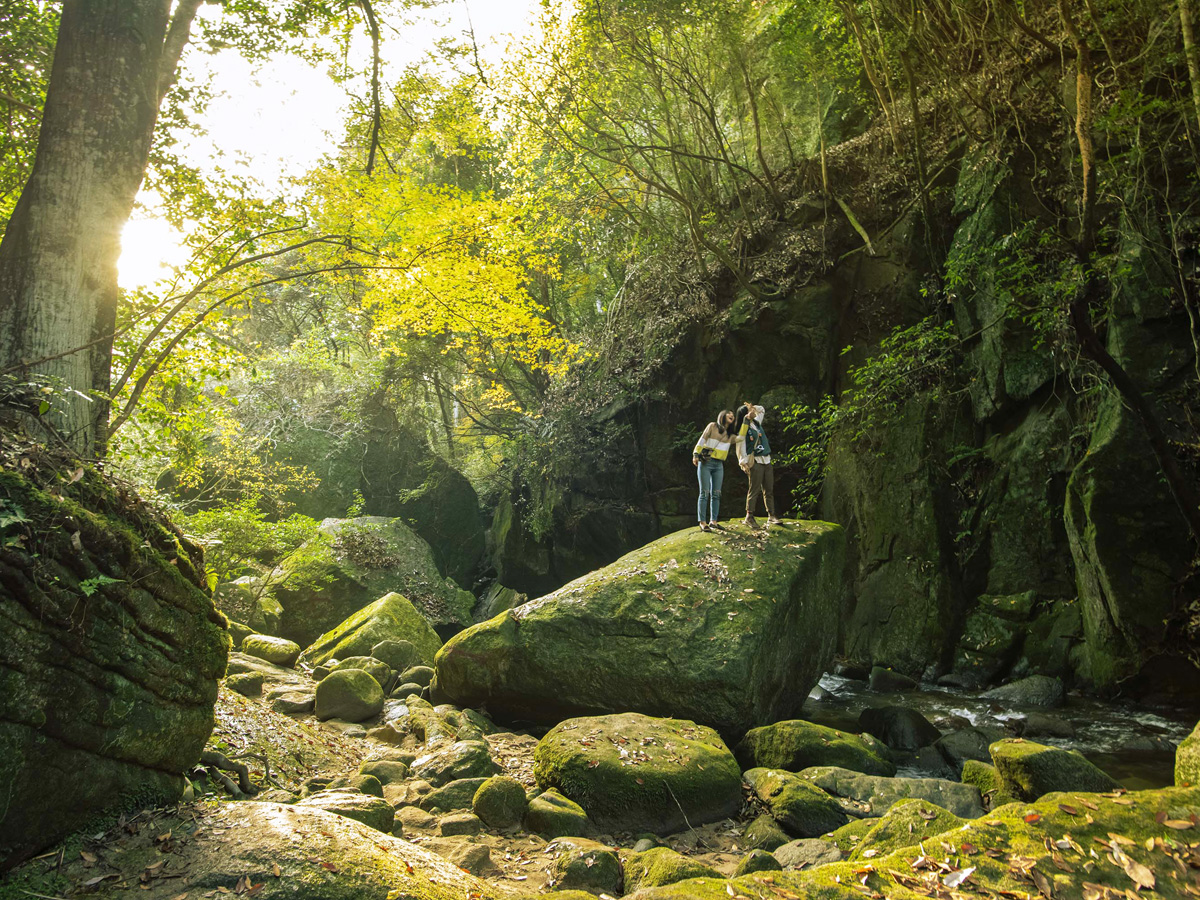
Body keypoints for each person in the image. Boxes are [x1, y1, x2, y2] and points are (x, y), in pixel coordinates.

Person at [735, 401, 784, 528]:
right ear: (744, 415)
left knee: (769, 489)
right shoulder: (743, 428)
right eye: (749, 410)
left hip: (766, 459)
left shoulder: (757, 422)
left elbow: (761, 409)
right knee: (754, 490)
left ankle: (771, 515)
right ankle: (749, 516)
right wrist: (743, 462)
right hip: (755, 461)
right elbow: (741, 446)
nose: (752, 410)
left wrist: (752, 408)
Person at [692, 409, 735, 532]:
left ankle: (713, 521)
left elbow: (742, 437)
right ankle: (702, 522)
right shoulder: (712, 426)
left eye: (733, 415)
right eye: (729, 413)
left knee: (716, 493)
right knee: (704, 492)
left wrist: (748, 418)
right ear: (723, 415)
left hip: (719, 464)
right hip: (706, 462)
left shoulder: (730, 435)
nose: (732, 415)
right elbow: (702, 439)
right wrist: (695, 454)